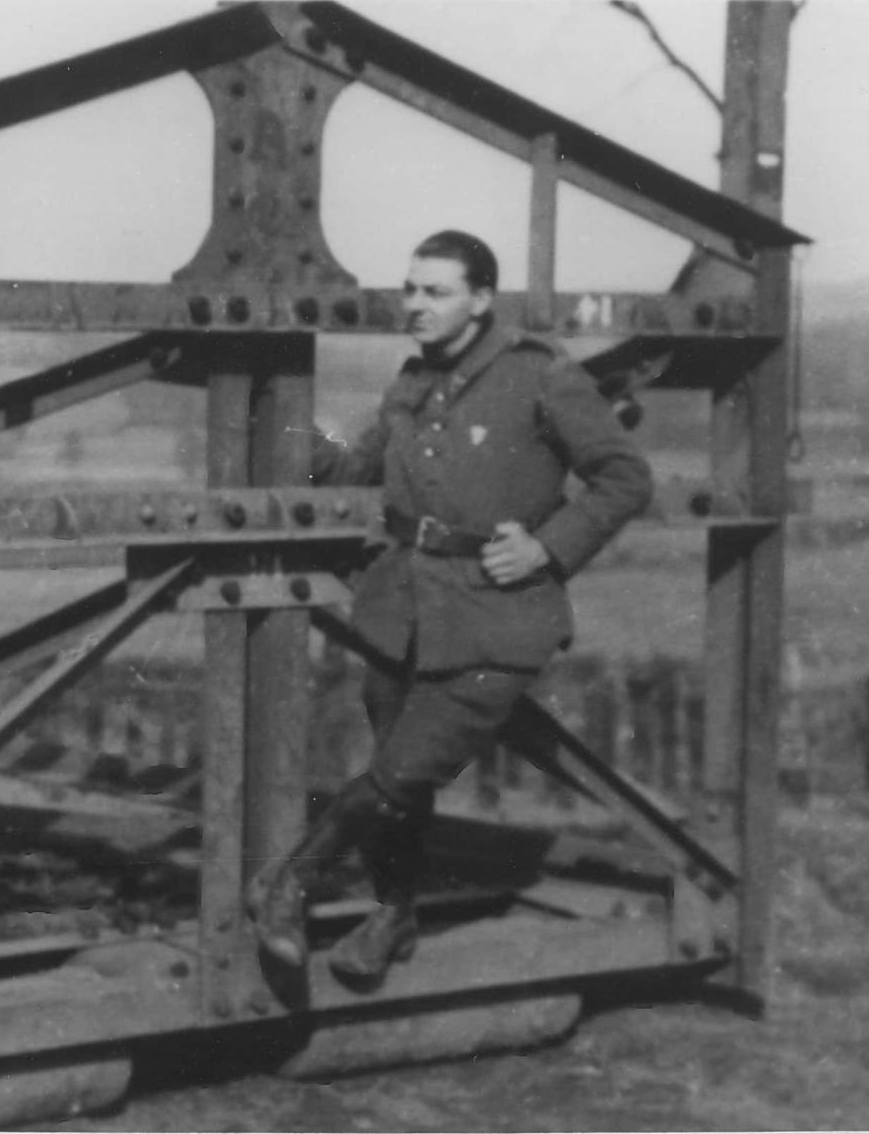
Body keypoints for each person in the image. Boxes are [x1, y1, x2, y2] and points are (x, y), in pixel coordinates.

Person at [245, 229, 653, 987]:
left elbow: (625, 476)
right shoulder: (411, 383)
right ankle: (394, 915)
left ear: (481, 299)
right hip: (403, 611)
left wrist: (547, 548)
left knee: (400, 772)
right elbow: (355, 471)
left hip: (498, 616)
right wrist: (279, 415)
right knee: (399, 782)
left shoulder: (540, 375)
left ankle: (290, 882)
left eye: (436, 291)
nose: (415, 305)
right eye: (409, 289)